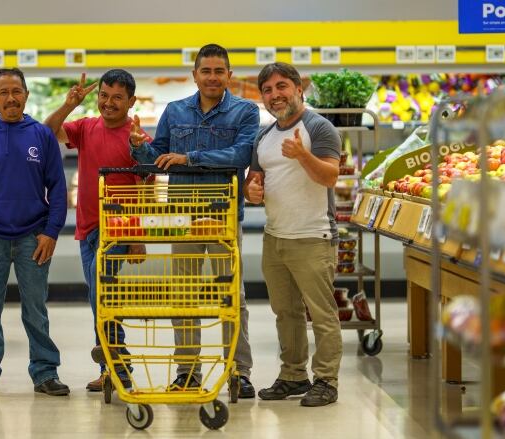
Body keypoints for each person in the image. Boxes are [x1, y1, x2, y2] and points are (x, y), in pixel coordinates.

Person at [129, 43, 258, 399]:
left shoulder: (245, 111)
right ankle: (188, 371)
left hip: (222, 214)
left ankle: (239, 370)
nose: (213, 77)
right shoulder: (174, 110)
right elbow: (159, 156)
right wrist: (140, 145)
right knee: (183, 295)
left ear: (229, 76)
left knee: (232, 296)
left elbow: (241, 155)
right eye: (207, 71)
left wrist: (190, 157)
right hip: (182, 216)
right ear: (195, 75)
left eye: (219, 71)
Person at [0, 68, 70, 399]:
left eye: (16, 91)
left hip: (32, 237)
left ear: (26, 95)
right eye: (4, 92)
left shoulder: (42, 136)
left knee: (36, 307)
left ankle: (46, 372)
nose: (11, 98)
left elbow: (58, 188)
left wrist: (51, 231)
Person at [44, 69, 149, 392]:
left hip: (118, 230)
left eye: (118, 97)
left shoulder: (138, 140)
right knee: (101, 297)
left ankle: (115, 363)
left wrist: (137, 239)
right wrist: (69, 105)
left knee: (100, 294)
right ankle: (115, 367)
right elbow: (46, 132)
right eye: (104, 95)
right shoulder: (87, 127)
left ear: (131, 101)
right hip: (86, 228)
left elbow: (144, 191)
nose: (109, 103)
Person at [244, 62, 342, 407]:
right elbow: (253, 181)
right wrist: (251, 191)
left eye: (281, 86)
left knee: (321, 313)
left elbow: (330, 177)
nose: (275, 95)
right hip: (276, 237)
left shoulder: (319, 127)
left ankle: (326, 380)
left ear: (299, 89)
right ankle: (293, 375)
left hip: (314, 236)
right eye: (267, 90)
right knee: (285, 312)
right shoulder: (264, 135)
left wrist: (302, 155)